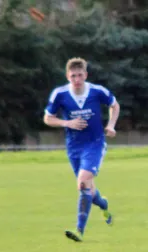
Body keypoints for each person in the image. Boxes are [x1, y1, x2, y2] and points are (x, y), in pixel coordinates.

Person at [43, 57, 120, 242]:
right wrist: (67, 122)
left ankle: (79, 230)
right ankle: (103, 204)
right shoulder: (60, 94)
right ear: (67, 76)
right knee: (87, 188)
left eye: (80, 75)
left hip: (95, 143)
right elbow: (48, 118)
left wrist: (111, 125)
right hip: (73, 147)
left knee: (83, 183)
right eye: (73, 76)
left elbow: (114, 105)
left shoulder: (96, 91)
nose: (76, 79)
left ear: (85, 75)